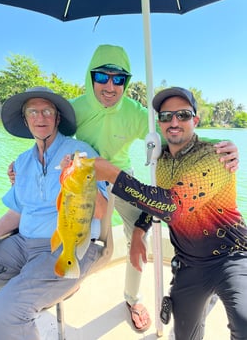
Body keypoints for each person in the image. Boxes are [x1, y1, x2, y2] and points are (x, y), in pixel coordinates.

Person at [8, 44, 239, 332]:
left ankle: (132, 298)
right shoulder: (75, 110)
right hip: (86, 180)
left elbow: (175, 132)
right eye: (102, 77)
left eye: (118, 79)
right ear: (90, 77)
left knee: (137, 241)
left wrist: (220, 148)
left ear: (126, 83)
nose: (109, 86)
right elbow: (47, 140)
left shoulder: (135, 112)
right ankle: (65, 280)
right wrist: (19, 168)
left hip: (123, 180)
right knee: (77, 235)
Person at [92, 87, 247, 339]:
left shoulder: (215, 155)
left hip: (230, 257)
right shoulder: (161, 162)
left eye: (183, 115)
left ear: (195, 120)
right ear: (159, 124)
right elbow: (156, 202)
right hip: (188, 264)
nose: (174, 122)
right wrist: (140, 232)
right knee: (184, 334)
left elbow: (173, 206)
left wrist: (113, 175)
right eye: (166, 117)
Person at [0, 86, 108, 340]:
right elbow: (17, 211)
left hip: (68, 247)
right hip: (21, 245)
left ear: (57, 118)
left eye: (48, 111)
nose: (41, 117)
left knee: (5, 311)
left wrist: (80, 178)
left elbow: (101, 212)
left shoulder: (81, 153)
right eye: (33, 112)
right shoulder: (22, 162)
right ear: (26, 121)